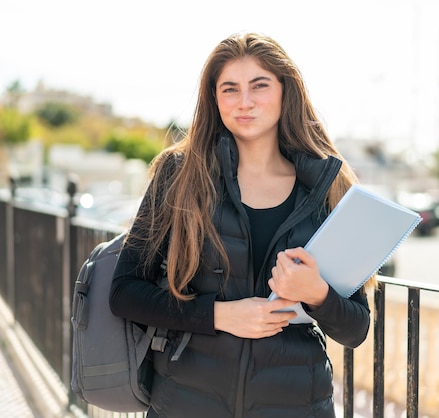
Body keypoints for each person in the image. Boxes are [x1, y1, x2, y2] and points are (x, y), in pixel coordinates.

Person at [109, 31, 374, 418]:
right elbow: (124, 292)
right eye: (230, 89)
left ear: (286, 91)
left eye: (259, 85)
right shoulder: (180, 175)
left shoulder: (327, 186)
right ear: (214, 99)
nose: (245, 102)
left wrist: (316, 293)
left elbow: (355, 330)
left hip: (296, 406)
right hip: (186, 403)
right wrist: (220, 315)